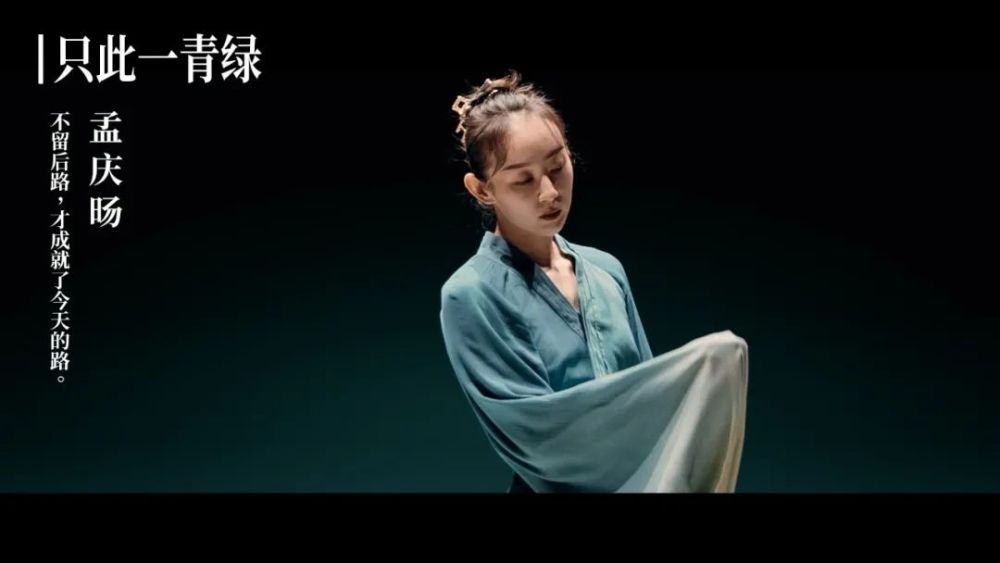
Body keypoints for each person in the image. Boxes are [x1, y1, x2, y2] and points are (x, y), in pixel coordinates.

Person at [439, 71, 749, 493]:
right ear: (481, 190)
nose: (549, 192)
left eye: (557, 166)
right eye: (523, 179)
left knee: (724, 355)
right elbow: (538, 437)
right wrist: (702, 366)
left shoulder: (606, 270)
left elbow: (649, 402)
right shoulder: (472, 293)